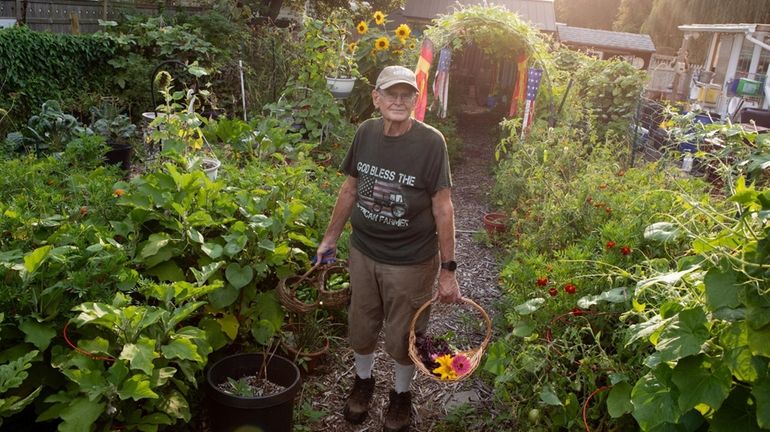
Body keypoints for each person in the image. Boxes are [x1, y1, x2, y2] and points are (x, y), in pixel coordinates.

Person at [315, 65, 461, 432]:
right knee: (361, 324)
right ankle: (363, 382)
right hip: (364, 251)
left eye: (406, 94)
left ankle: (401, 394)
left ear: (415, 99)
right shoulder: (365, 133)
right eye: (390, 94)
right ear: (376, 98)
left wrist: (449, 270)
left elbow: (443, 207)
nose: (398, 101)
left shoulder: (431, 143)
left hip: (410, 261)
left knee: (404, 334)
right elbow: (350, 189)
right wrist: (330, 238)